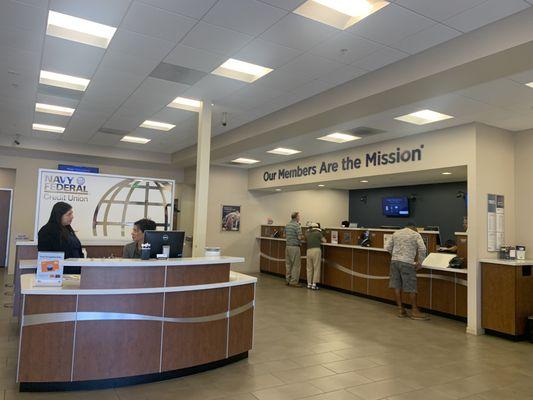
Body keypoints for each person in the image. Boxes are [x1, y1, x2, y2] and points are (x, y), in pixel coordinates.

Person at [384, 222, 428, 320]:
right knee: (411, 287)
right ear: (414, 228)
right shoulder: (416, 234)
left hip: (394, 262)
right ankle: (414, 311)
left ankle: (400, 310)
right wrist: (420, 263)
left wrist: (395, 255)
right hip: (407, 262)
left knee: (397, 285)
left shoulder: (396, 233)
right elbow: (423, 249)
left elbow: (387, 247)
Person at [38, 202, 84, 274]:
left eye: (71, 214)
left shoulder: (68, 229)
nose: (72, 217)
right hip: (58, 274)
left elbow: (78, 249)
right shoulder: (46, 231)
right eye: (69, 214)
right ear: (59, 215)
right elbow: (46, 257)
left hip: (75, 273)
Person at [285, 211, 303, 287]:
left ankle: (287, 280)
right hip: (295, 247)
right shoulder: (297, 225)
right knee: (296, 265)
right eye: (299, 216)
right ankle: (294, 282)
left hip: (288, 246)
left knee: (288, 264)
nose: (300, 217)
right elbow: (299, 237)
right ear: (296, 217)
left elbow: (284, 234)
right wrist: (302, 237)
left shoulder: (287, 225)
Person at [305, 223, 326, 290]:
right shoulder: (318, 233)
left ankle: (309, 284)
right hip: (316, 250)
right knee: (316, 267)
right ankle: (314, 284)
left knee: (309, 268)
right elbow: (324, 241)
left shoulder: (307, 233)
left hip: (308, 251)